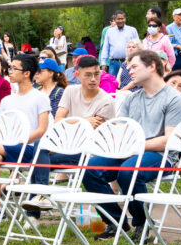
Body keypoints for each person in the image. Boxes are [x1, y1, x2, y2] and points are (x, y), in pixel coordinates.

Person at [85, 50, 181, 239]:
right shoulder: (132, 98)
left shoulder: (175, 98)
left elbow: (170, 140)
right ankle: (115, 221)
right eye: (128, 67)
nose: (129, 71)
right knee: (91, 169)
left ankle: (142, 223)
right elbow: (123, 132)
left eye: (134, 66)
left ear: (151, 66)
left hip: (161, 155)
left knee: (128, 170)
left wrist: (134, 148)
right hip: (130, 152)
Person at [0, 54, 51, 224]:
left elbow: (42, 130)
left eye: (14, 68)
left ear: (27, 73)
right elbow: (1, 128)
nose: (9, 71)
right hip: (8, 147)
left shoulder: (40, 97)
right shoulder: (7, 101)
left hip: (28, 148)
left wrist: (21, 139)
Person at [25, 55, 116, 194]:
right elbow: (58, 121)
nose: (93, 79)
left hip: (89, 152)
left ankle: (38, 200)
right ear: (77, 75)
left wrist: (72, 123)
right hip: (68, 145)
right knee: (40, 147)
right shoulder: (71, 91)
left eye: (97, 74)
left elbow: (91, 135)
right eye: (88, 75)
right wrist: (85, 120)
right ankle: (39, 199)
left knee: (37, 158)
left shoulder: (106, 101)